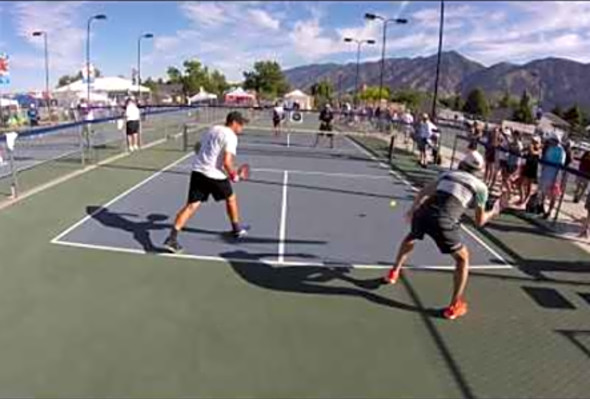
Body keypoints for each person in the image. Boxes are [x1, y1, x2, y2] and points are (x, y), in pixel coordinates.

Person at [384, 151, 503, 320]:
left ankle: (393, 273)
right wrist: (495, 211)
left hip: (423, 213)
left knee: (412, 237)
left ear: (463, 164)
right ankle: (455, 306)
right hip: (443, 221)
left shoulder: (448, 174)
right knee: (463, 259)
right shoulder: (481, 187)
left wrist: (412, 210)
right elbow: (480, 221)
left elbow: (423, 192)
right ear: (479, 170)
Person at [163, 111, 250, 253]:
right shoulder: (231, 137)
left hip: (198, 172)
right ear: (234, 123)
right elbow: (227, 162)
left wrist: (210, 160)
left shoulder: (213, 129)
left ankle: (171, 238)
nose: (242, 127)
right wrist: (234, 176)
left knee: (191, 206)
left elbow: (198, 147)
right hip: (214, 175)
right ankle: (236, 229)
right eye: (241, 124)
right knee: (231, 198)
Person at [538, 133, 566, 219]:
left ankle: (549, 211)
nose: (550, 142)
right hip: (546, 172)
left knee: (553, 194)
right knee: (543, 191)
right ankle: (541, 206)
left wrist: (556, 178)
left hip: (555, 174)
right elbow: (545, 159)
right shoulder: (549, 148)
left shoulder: (561, 150)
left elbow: (561, 164)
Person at [517, 135, 542, 206]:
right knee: (520, 183)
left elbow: (534, 153)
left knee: (529, 185)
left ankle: (525, 200)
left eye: (535, 142)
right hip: (527, 166)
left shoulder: (539, 149)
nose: (533, 143)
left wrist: (531, 148)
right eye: (533, 141)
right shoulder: (530, 147)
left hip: (533, 168)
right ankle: (522, 197)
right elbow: (522, 151)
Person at [502, 130, 524, 200]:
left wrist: (512, 147)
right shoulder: (512, 143)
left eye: (516, 135)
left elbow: (520, 153)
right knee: (505, 178)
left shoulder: (519, 144)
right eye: (514, 135)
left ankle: (510, 193)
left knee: (507, 179)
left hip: (514, 163)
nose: (514, 136)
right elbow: (508, 148)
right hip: (509, 161)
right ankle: (509, 192)